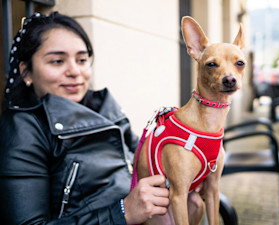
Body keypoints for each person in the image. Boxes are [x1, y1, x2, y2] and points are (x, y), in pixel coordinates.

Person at [0, 12, 170, 225]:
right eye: (57, 61)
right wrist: (121, 213)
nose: (75, 71)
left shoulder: (107, 109)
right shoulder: (24, 127)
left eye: (81, 60)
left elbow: (146, 164)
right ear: (26, 72)